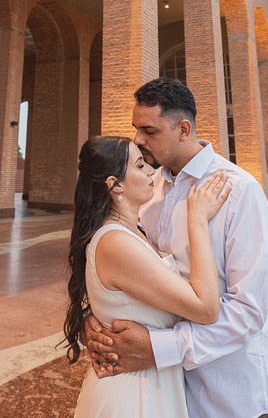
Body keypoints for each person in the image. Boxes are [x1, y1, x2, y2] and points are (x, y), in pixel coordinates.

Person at [88, 77, 268, 418]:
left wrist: (157, 349)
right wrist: (96, 321)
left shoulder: (238, 192)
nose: (138, 140)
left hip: (233, 394)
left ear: (183, 129)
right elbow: (134, 276)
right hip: (172, 395)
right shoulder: (148, 193)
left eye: (149, 131)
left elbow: (250, 311)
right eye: (136, 129)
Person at [63, 135, 232, 417]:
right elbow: (205, 307)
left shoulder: (137, 228)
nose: (151, 171)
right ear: (114, 184)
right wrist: (198, 221)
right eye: (140, 165)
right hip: (132, 396)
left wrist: (88, 318)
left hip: (155, 384)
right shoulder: (116, 243)